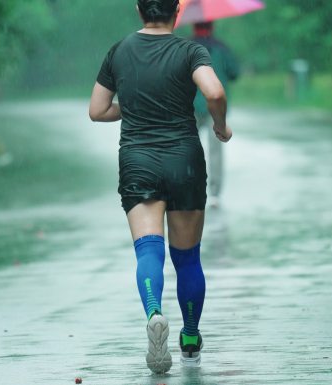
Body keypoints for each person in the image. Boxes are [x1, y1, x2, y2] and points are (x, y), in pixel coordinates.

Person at [88, 0, 231, 375]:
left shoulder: (118, 52)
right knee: (187, 258)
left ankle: (153, 312)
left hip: (138, 161)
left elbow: (97, 109)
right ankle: (190, 338)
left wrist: (134, 105)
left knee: (148, 252)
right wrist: (221, 126)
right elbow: (214, 92)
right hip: (183, 159)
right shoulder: (190, 51)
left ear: (139, 10)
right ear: (177, 12)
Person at [192, 21, 239, 207]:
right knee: (216, 150)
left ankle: (192, 186)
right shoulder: (221, 48)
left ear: (194, 27)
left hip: (190, 105)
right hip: (216, 105)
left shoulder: (186, 47)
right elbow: (235, 73)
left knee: (189, 149)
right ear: (212, 27)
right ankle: (215, 193)